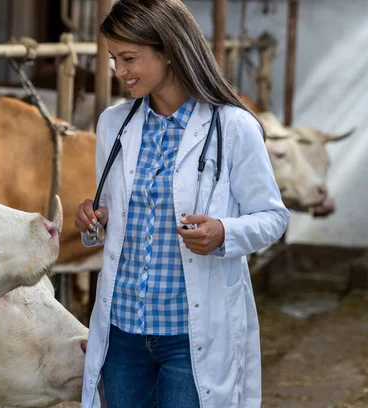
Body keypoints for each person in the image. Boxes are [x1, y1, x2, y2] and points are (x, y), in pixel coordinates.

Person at [74, 1, 290, 407]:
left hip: (191, 334)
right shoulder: (113, 124)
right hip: (123, 331)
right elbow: (111, 218)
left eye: (129, 58)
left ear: (169, 51)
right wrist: (92, 219)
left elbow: (273, 217)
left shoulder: (233, 126)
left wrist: (226, 232)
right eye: (113, 59)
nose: (119, 72)